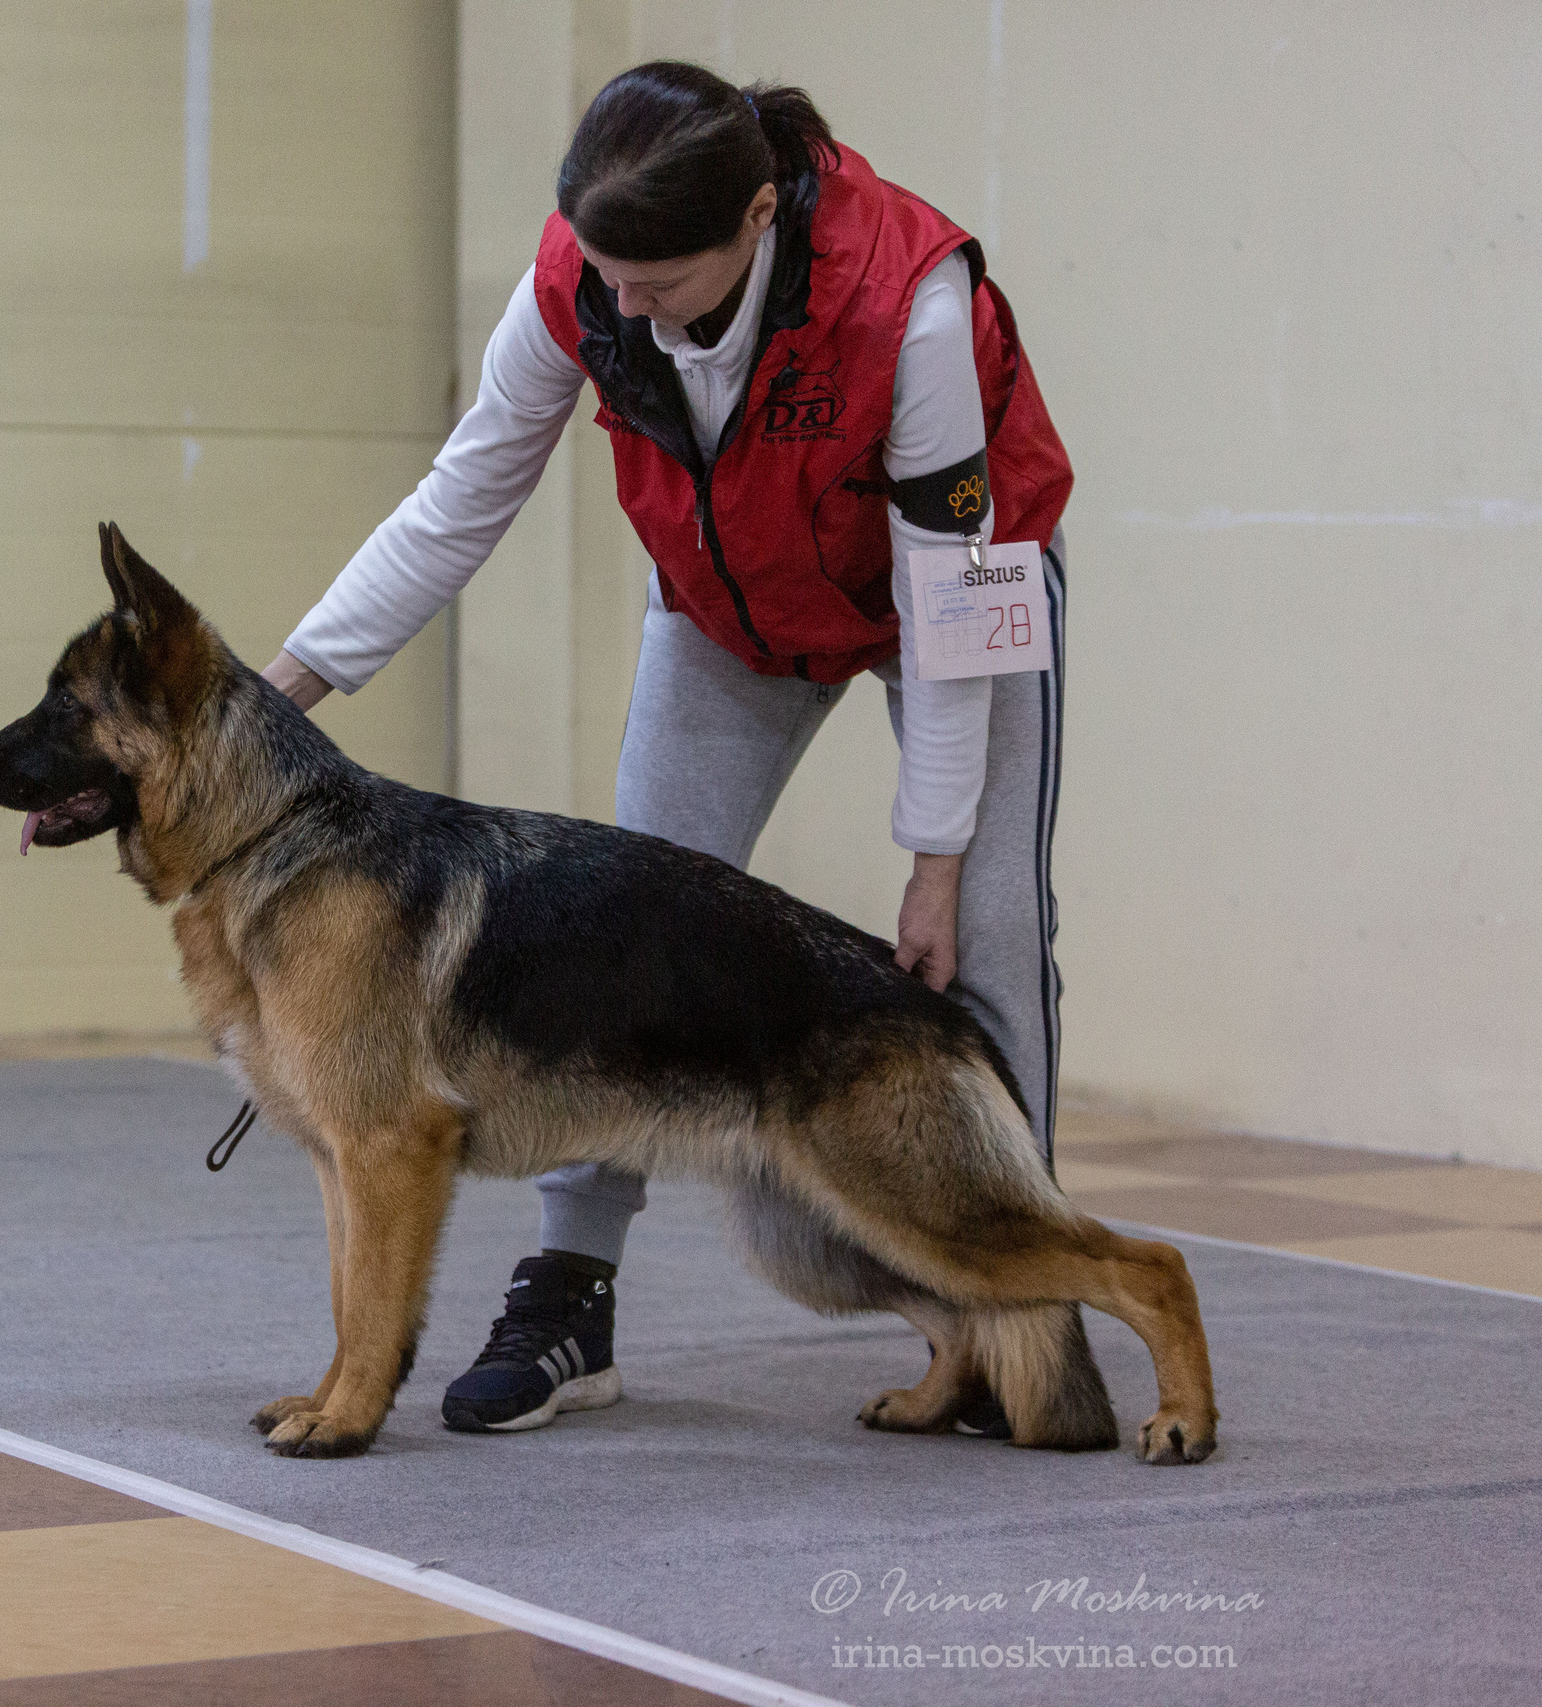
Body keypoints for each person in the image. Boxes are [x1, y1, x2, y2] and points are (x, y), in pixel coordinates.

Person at [257, 62, 1073, 1434]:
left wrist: (931, 858)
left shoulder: (912, 305)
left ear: (759, 215)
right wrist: (289, 688)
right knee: (617, 927)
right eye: (609, 275)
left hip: (951, 595)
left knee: (986, 931)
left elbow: (947, 605)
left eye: (659, 281)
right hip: (728, 607)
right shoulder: (583, 273)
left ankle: (1017, 1302)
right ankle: (572, 1293)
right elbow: (461, 499)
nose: (623, 308)